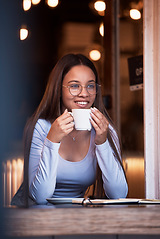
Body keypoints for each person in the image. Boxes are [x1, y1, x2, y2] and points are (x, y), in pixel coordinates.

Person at [12, 53, 128, 206]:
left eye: (90, 86)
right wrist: (52, 141)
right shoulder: (41, 126)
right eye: (74, 86)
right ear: (58, 89)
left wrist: (102, 142)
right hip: (36, 217)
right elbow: (40, 197)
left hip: (75, 215)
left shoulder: (104, 130)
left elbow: (118, 194)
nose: (84, 93)